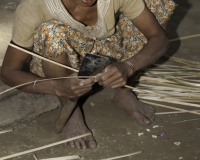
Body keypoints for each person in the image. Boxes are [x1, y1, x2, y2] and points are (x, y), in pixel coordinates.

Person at [0, 0, 175, 149]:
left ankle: (121, 89)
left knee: (157, 3)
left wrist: (128, 66)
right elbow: (8, 72)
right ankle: (70, 107)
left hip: (103, 56)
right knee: (50, 31)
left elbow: (159, 38)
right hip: (61, 67)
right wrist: (57, 87)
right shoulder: (35, 6)